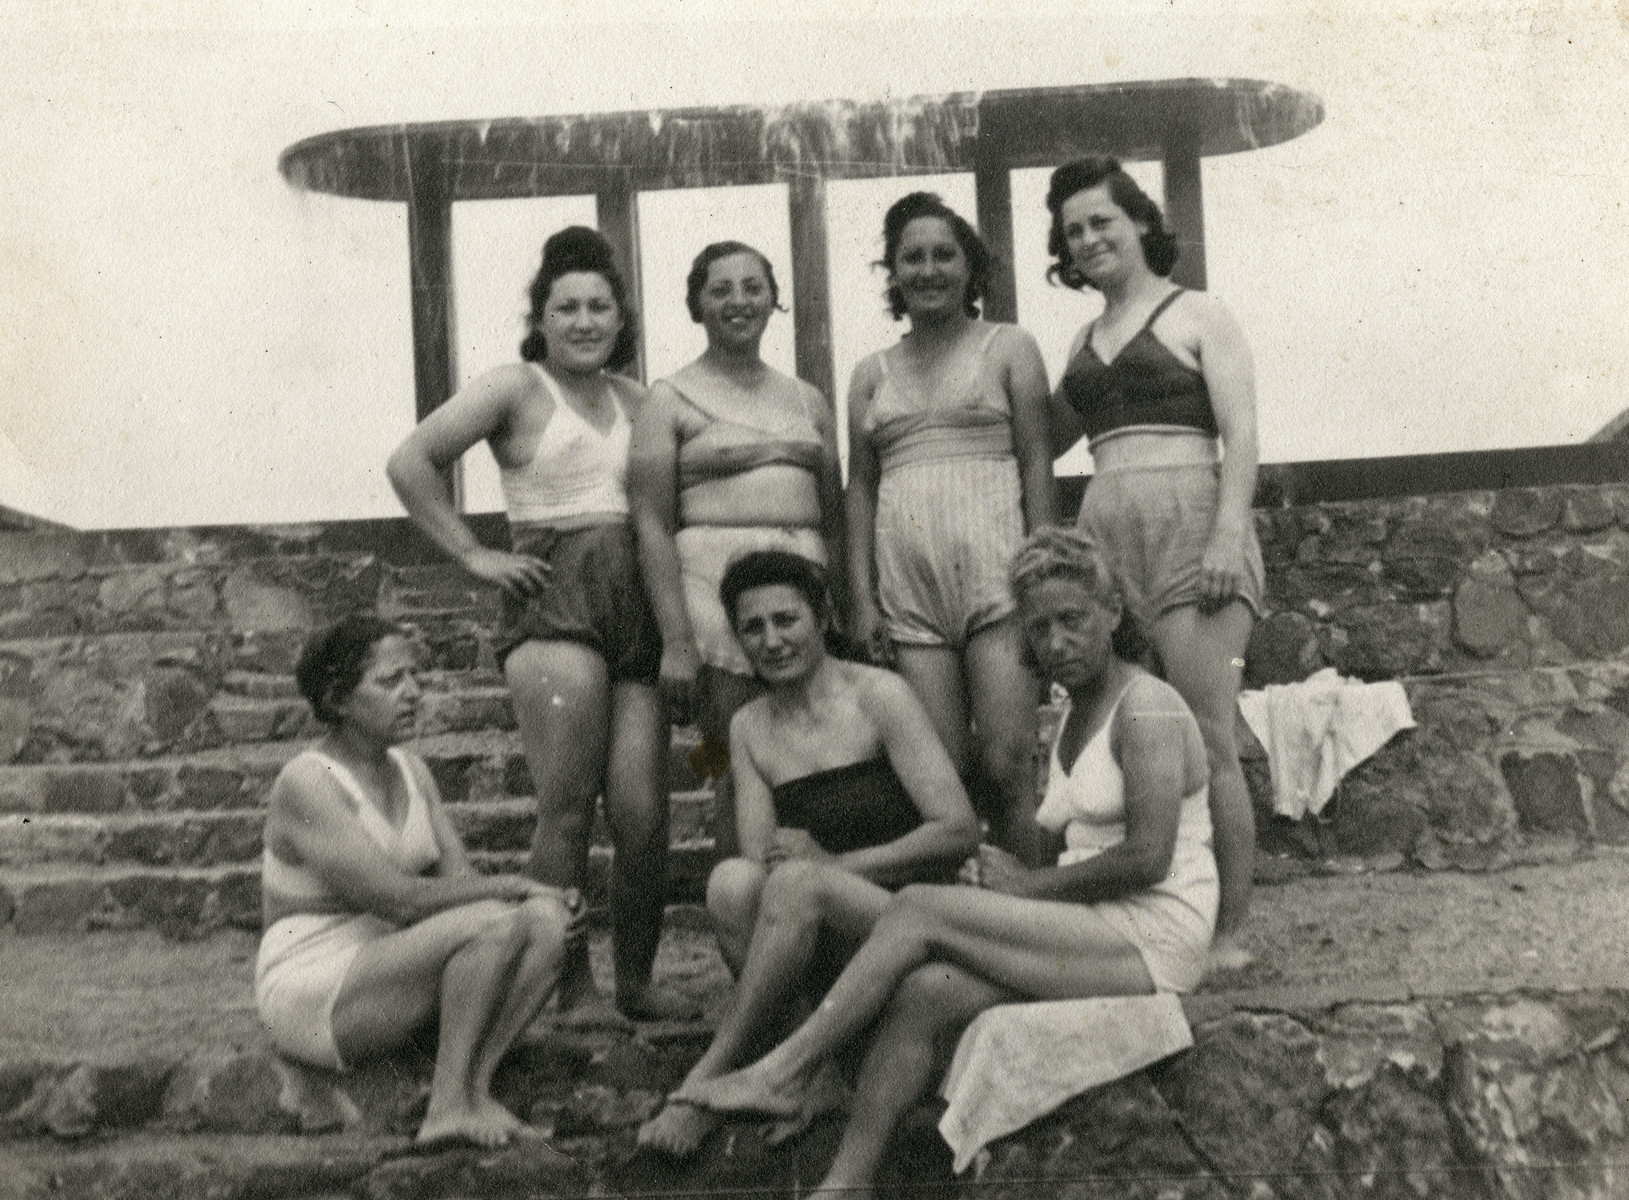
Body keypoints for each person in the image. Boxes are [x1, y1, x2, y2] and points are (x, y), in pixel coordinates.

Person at [681, 528, 1217, 1194]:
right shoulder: (1076, 712)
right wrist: (999, 876)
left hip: (1154, 933)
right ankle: (846, 1184)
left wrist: (1024, 887)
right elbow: (1082, 845)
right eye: (1040, 628)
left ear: (1112, 612)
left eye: (1072, 620)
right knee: (925, 992)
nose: (1055, 643)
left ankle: (786, 1070)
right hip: (1097, 921)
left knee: (916, 910)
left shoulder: (1148, 706)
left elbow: (1146, 857)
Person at [386, 226, 691, 1020]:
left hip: (636, 606)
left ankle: (636, 980)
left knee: (641, 813)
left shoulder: (640, 398)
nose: (585, 321)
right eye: (568, 308)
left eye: (599, 307)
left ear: (620, 319)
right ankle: (568, 983)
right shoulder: (514, 388)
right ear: (543, 316)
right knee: (567, 808)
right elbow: (411, 461)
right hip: (555, 605)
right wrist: (473, 554)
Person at [636, 550, 980, 1157]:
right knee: (729, 884)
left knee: (796, 884)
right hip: (821, 927)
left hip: (908, 918)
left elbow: (956, 829)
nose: (771, 640)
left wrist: (833, 867)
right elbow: (761, 863)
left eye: (786, 619)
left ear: (821, 617)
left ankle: (705, 1081)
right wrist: (811, 876)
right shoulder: (748, 726)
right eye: (753, 628)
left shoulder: (879, 695)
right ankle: (812, 1070)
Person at [1041, 157, 1265, 965]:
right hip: (1107, 528)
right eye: (1072, 231)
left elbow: (1240, 436)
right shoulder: (1079, 338)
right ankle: (1144, 914)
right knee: (1129, 730)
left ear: (1139, 222)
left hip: (1191, 519)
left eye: (1102, 220)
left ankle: (1228, 931)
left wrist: (1226, 538)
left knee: (1205, 734)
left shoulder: (1199, 312)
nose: (1088, 238)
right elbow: (1043, 438)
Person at [256, 615, 581, 1151]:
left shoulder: (411, 769)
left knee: (546, 924)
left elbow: (462, 883)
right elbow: (399, 900)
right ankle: (445, 1106)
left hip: (390, 962)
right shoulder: (307, 781)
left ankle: (472, 1090)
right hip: (313, 982)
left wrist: (536, 903)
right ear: (337, 699)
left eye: (414, 678)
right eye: (390, 682)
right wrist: (519, 884)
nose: (413, 694)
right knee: (501, 916)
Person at [845, 192, 1055, 851]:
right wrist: (860, 599)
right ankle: (962, 927)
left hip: (998, 583)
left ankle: (1030, 923)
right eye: (912, 258)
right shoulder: (869, 373)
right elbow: (859, 489)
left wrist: (1043, 574)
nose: (928, 270)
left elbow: (1037, 460)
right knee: (941, 777)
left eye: (944, 255)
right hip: (910, 597)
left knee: (1005, 765)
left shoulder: (1008, 348)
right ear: (893, 273)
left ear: (970, 268)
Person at [629, 241, 844, 854]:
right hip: (714, 603)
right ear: (696, 305)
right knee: (739, 768)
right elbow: (649, 521)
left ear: (775, 300)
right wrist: (675, 640)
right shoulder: (668, 398)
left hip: (802, 592)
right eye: (720, 290)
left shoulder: (808, 399)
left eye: (753, 287)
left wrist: (846, 605)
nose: (738, 301)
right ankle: (743, 922)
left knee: (810, 764)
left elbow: (834, 516)